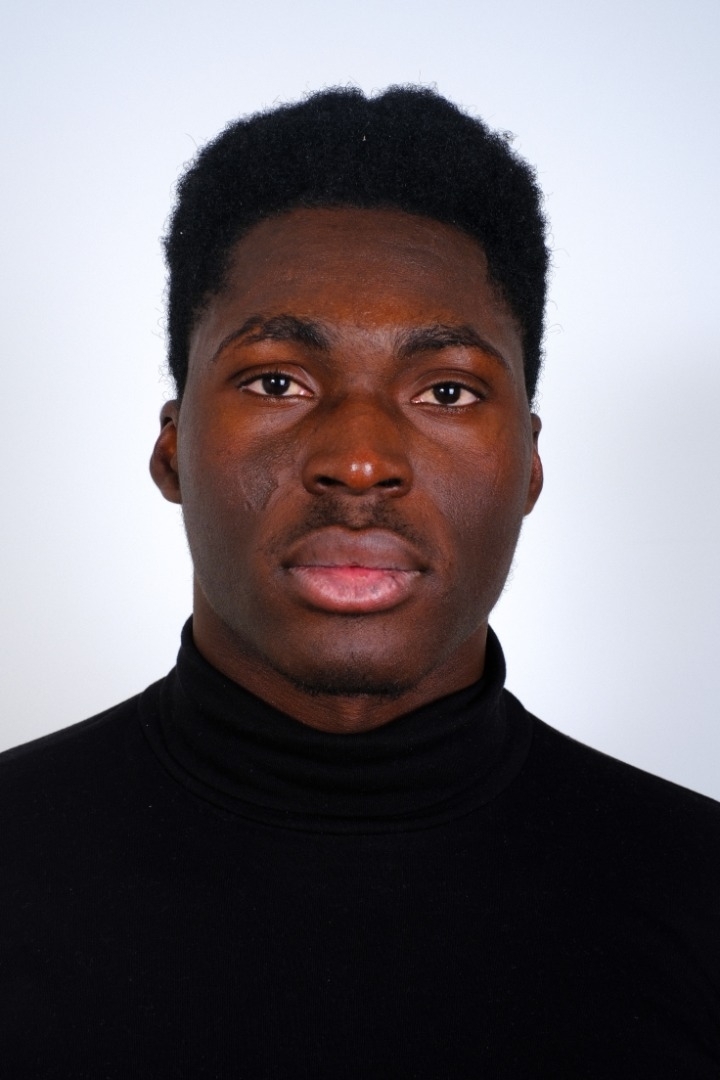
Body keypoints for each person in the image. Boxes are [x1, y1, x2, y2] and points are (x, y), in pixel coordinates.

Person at [1, 86, 718, 1079]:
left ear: (529, 465)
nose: (360, 462)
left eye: (447, 390)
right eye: (277, 381)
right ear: (172, 449)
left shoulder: (698, 891)